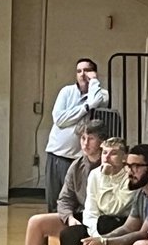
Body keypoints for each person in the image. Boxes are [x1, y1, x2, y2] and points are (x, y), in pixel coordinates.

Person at [0, 120, 104, 245]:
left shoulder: (107, 166)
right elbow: (64, 199)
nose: (85, 143)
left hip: (99, 220)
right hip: (79, 216)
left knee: (79, 240)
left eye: (91, 139)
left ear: (102, 141)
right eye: (83, 138)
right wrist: (69, 217)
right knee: (36, 222)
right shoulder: (77, 165)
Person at [35, 136, 134, 245]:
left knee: (105, 223)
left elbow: (116, 207)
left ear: (124, 157)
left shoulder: (129, 177)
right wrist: (93, 234)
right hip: (98, 224)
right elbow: (90, 210)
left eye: (113, 153)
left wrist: (108, 180)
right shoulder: (95, 174)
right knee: (68, 234)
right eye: (104, 152)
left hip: (120, 223)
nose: (107, 157)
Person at [44, 58, 109, 212]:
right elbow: (59, 119)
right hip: (56, 153)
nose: (82, 74)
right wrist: (86, 107)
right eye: (79, 71)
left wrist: (94, 82)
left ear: (94, 73)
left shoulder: (101, 93)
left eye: (86, 70)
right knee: (54, 201)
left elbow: (97, 100)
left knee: (75, 201)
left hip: (77, 157)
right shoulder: (66, 91)